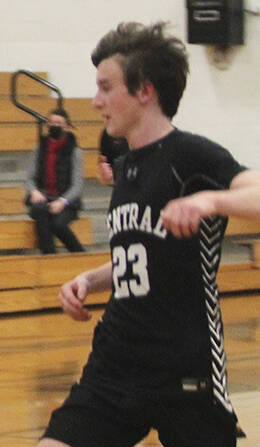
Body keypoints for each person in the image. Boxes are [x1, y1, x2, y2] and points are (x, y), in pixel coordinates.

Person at [41, 22, 260, 447]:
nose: (95, 101)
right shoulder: (125, 167)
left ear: (145, 91)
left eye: (106, 87)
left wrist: (212, 202)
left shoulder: (192, 156)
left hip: (185, 367)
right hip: (117, 361)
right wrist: (91, 279)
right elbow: (143, 250)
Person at [24, 108, 85, 254]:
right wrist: (33, 191)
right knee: (40, 212)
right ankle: (49, 258)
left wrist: (62, 201)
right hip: (44, 198)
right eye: (51, 122)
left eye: (59, 123)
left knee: (57, 225)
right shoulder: (39, 149)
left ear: (66, 126)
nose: (54, 126)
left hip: (67, 201)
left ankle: (80, 255)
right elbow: (29, 178)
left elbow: (77, 185)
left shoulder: (75, 152)